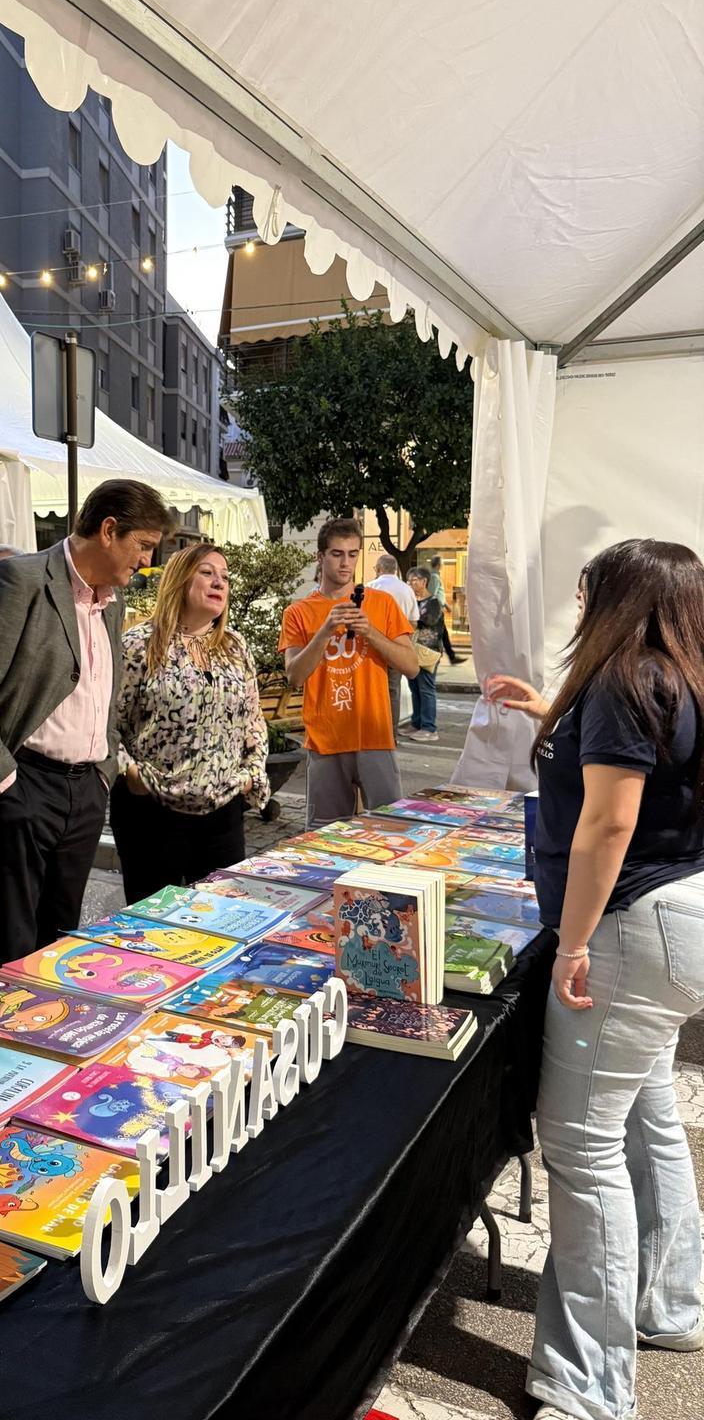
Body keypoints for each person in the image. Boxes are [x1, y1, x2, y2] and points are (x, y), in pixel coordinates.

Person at [485, 539, 704, 1420]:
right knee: (647, 1117)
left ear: (618, 599)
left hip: (629, 927)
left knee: (581, 1148)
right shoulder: (678, 674)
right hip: (676, 919)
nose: (579, 605)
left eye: (587, 591)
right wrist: (552, 713)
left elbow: (608, 826)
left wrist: (572, 944)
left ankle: (588, 1387)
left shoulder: (623, 675)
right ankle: (674, 1300)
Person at [0, 479, 173, 984]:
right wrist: (4, 784)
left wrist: (104, 772)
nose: (146, 563)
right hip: (23, 785)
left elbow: (100, 692)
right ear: (109, 530)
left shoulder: (110, 600)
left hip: (85, 791)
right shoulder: (20, 580)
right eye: (143, 547)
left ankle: (46, 1048)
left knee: (59, 947)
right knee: (8, 951)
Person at [111, 544, 270, 903]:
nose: (220, 582)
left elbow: (253, 721)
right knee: (154, 931)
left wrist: (250, 776)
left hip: (222, 813)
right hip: (151, 814)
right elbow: (107, 724)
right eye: (208, 572)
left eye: (226, 577)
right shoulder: (139, 645)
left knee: (221, 922)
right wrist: (131, 774)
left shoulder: (234, 647)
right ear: (181, 579)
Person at [278, 517, 418, 826]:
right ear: (321, 556)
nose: (346, 563)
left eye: (353, 554)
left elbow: (411, 666)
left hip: (375, 735)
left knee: (389, 830)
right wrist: (325, 630)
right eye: (337, 554)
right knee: (324, 837)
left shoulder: (381, 603)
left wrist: (370, 633)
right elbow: (295, 675)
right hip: (326, 739)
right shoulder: (298, 612)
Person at [367, 553, 419, 731]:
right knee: (393, 690)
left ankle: (374, 729)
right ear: (395, 569)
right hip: (397, 646)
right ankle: (391, 732)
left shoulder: (370, 587)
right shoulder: (406, 589)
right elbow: (413, 621)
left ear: (379, 569)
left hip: (372, 646)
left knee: (371, 690)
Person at [400, 565, 444, 743]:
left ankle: (429, 728)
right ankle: (416, 722)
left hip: (427, 650)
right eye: (408, 580)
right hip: (414, 651)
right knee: (415, 688)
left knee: (426, 689)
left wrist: (413, 619)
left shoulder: (433, 602)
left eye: (413, 580)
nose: (410, 583)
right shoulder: (416, 601)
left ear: (424, 582)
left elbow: (429, 621)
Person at [428, 555, 461, 664]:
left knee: (442, 633)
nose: (443, 565)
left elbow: (438, 594)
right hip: (436, 610)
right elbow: (432, 594)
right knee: (439, 633)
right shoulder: (434, 577)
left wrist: (446, 605)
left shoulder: (435, 576)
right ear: (438, 564)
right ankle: (444, 655)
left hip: (437, 609)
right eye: (442, 563)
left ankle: (449, 656)